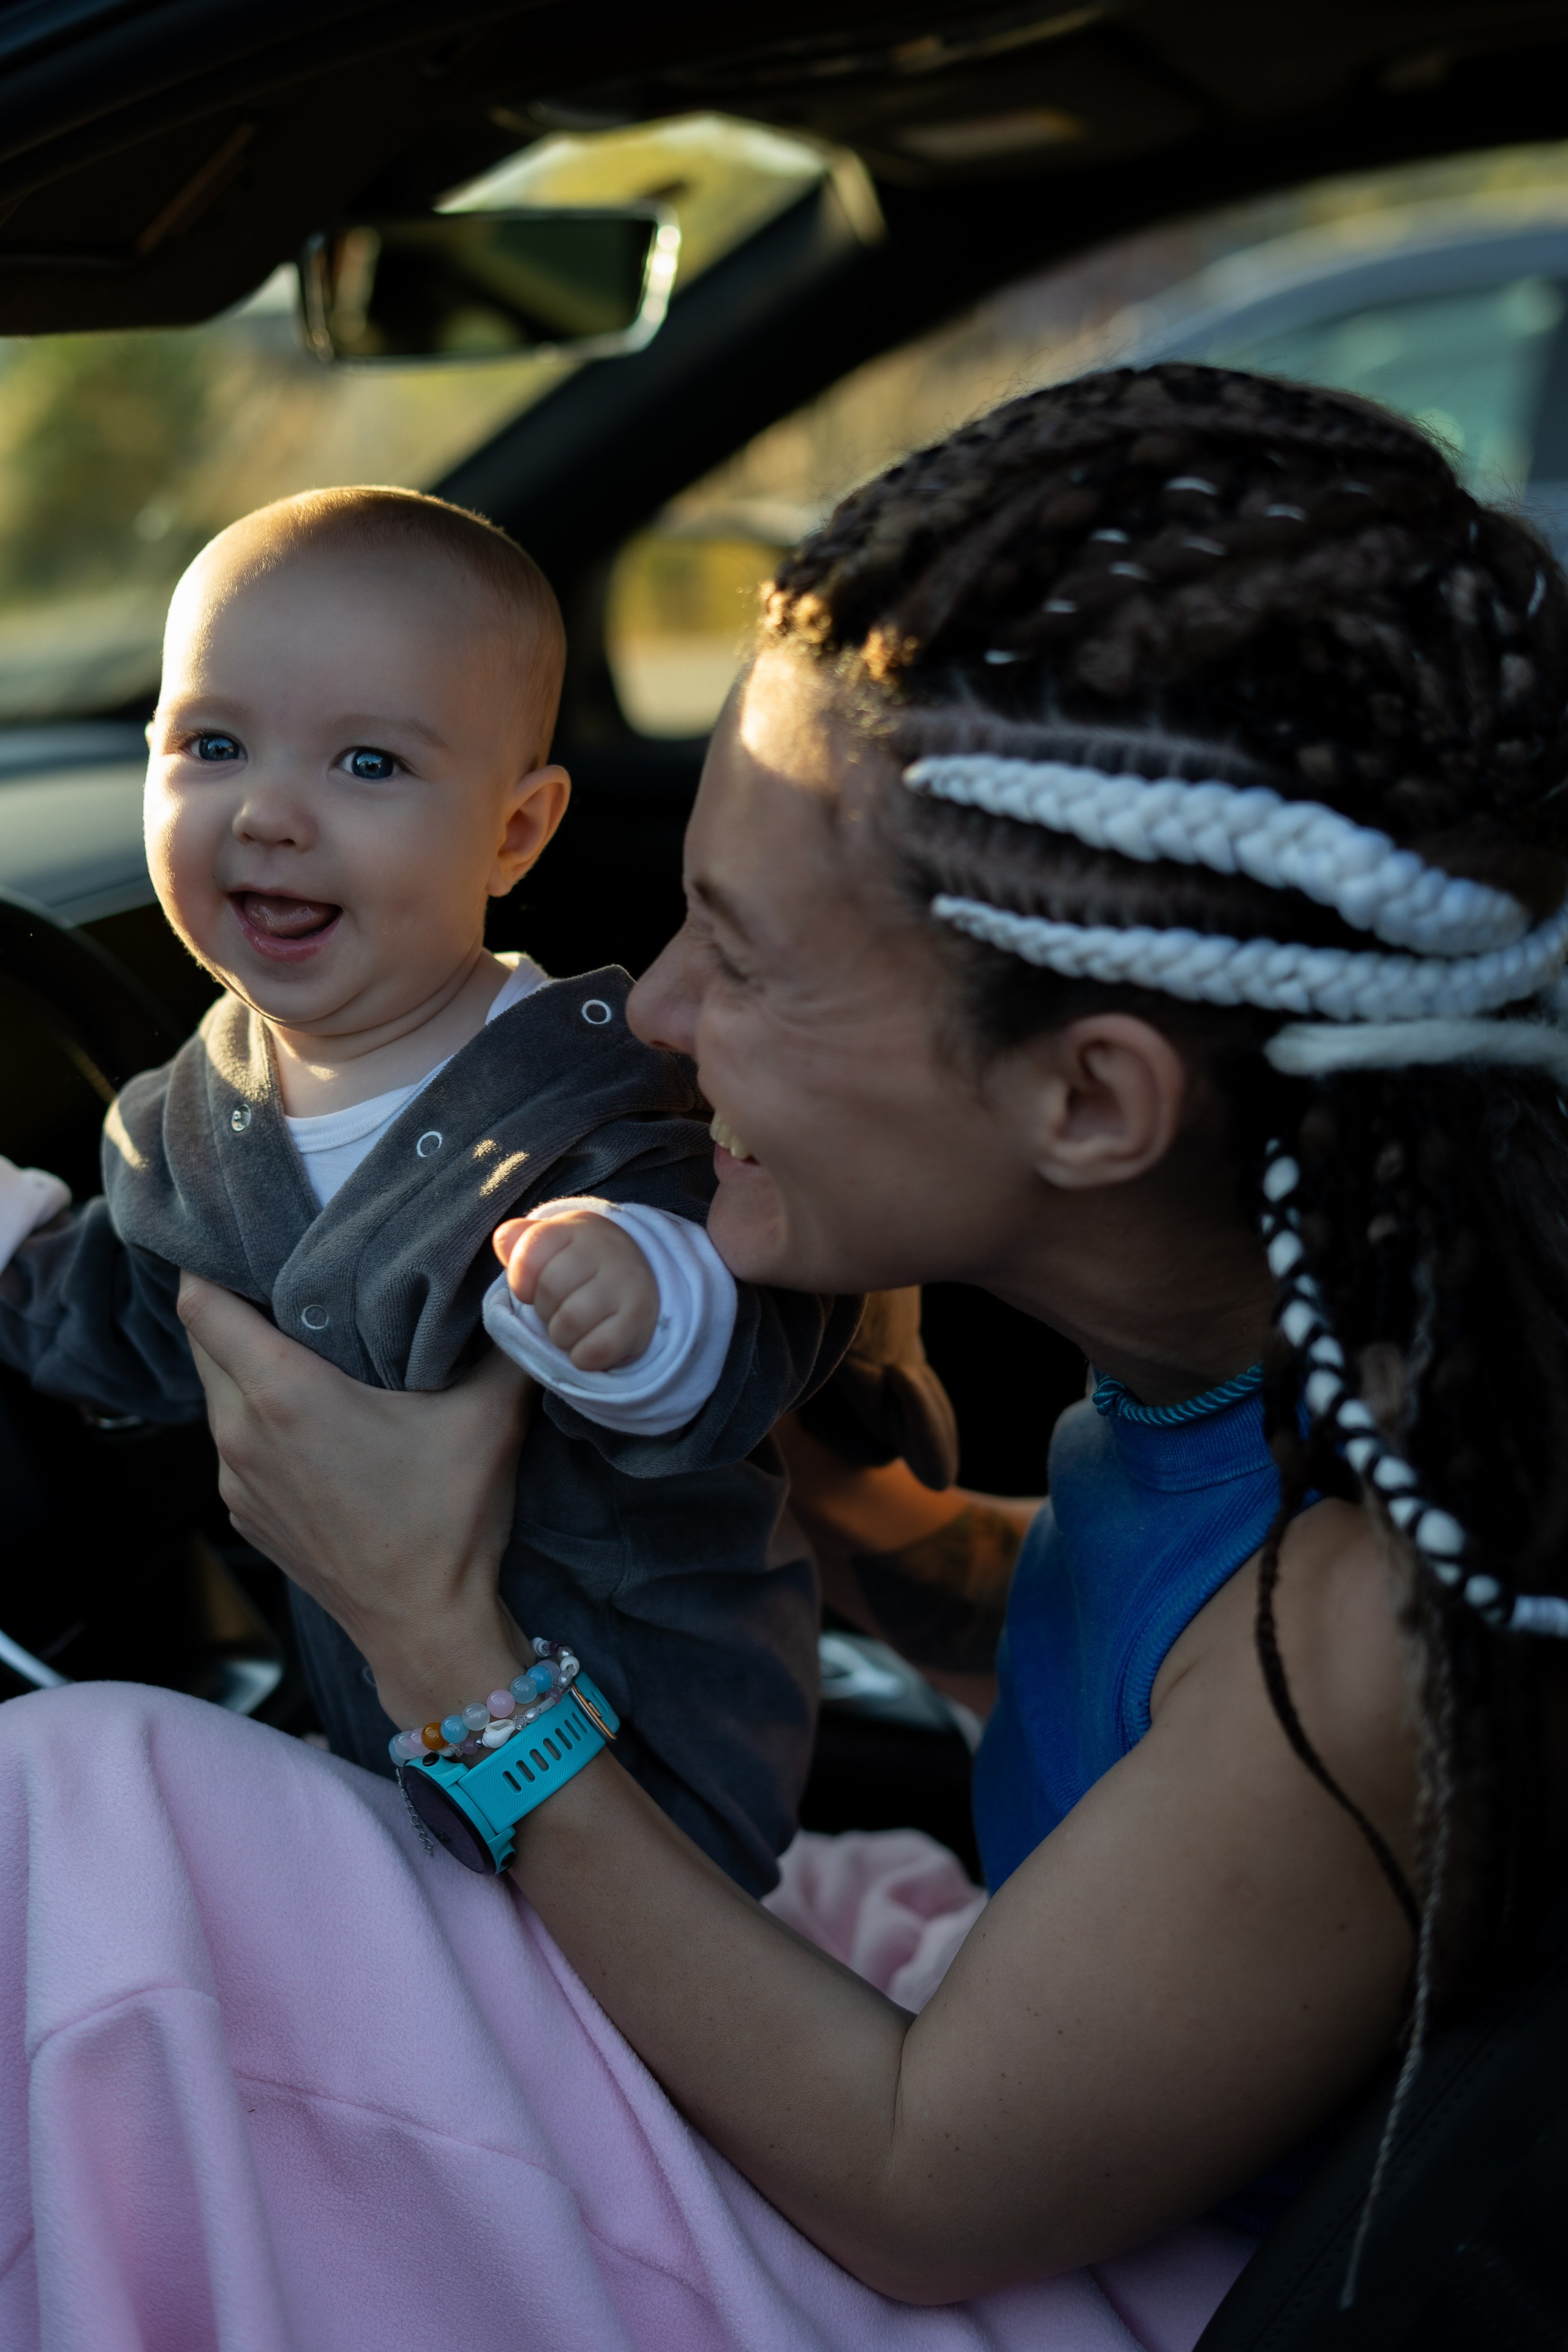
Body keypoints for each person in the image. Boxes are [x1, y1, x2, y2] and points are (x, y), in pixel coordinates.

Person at [7, 361, 1568, 2349]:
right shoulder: (1245, 1384)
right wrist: (883, 1535)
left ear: (1090, 1100)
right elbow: (1148, 1677)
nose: (649, 1011)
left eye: (739, 959)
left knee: (89, 1800)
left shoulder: (1369, 1623)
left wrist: (443, 1646)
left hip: (1082, 2276)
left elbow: (925, 2188)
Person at [0, 484, 863, 1891]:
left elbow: (756, 1339)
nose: (270, 814)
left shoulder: (580, 1105)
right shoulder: (195, 1116)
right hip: (385, 1757)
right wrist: (23, 1255)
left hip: (651, 1752)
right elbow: (145, 1310)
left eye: (368, 768)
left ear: (516, 834)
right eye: (213, 744)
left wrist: (647, 1304)